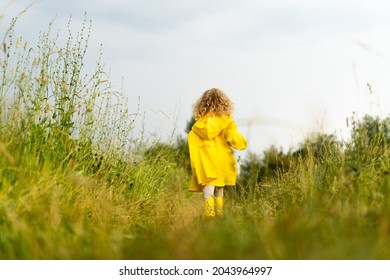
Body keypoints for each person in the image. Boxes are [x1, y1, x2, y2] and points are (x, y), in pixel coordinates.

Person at [188, 88, 247, 218]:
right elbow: (234, 139)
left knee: (208, 187)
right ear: (224, 103)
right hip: (221, 160)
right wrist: (244, 142)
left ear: (202, 104)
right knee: (219, 188)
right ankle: (219, 217)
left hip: (205, 160)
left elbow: (193, 144)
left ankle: (209, 215)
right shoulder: (226, 121)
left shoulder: (199, 125)